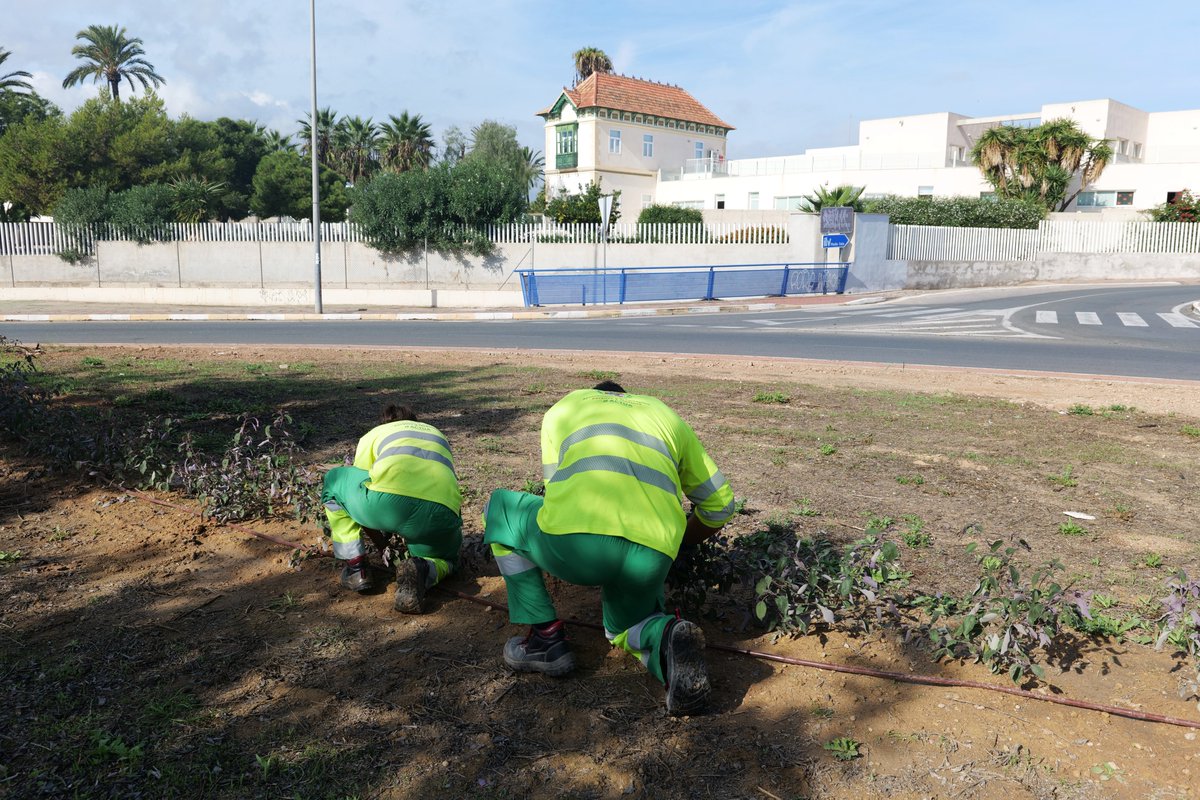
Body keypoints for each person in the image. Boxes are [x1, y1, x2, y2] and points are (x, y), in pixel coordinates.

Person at [483, 381, 734, 715]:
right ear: (628, 398)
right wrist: (679, 546)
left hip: (576, 548)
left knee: (499, 507)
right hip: (651, 553)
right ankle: (666, 635)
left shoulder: (566, 406)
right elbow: (720, 506)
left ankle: (545, 639)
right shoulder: (665, 415)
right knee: (624, 627)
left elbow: (554, 490)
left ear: (597, 394)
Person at [322, 404, 462, 613]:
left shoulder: (375, 433)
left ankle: (356, 567)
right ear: (415, 421)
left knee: (334, 481)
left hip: (388, 505)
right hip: (442, 512)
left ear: (385, 422)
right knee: (447, 559)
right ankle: (424, 568)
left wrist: (382, 539)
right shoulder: (437, 434)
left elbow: (364, 480)